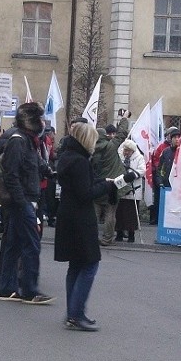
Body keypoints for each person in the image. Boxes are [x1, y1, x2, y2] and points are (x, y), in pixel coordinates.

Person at [55, 122, 114, 331]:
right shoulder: (79, 161)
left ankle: (73, 312)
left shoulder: (67, 157)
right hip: (80, 218)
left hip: (68, 215)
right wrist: (107, 185)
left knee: (76, 265)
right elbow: (86, 193)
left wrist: (102, 182)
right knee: (90, 264)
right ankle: (76, 313)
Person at [0, 102, 54, 304]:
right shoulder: (18, 141)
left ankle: (7, 288)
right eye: (40, 118)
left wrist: (52, 172)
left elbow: (37, 165)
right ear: (31, 121)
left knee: (14, 244)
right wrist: (22, 202)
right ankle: (30, 290)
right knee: (31, 244)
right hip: (23, 202)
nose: (43, 122)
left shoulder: (29, 141)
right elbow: (11, 175)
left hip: (26, 199)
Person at [91, 126, 129, 246]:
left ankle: (91, 236)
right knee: (110, 213)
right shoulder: (111, 146)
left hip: (98, 185)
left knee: (94, 214)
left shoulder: (91, 150)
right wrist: (124, 118)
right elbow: (121, 134)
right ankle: (107, 239)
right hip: (113, 185)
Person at [115, 138, 146, 242]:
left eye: (128, 150)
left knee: (131, 214)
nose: (126, 152)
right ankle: (119, 233)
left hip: (133, 189)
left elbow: (142, 170)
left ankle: (131, 234)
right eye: (125, 150)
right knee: (120, 213)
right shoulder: (120, 157)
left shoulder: (139, 158)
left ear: (132, 151)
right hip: (121, 188)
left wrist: (133, 175)